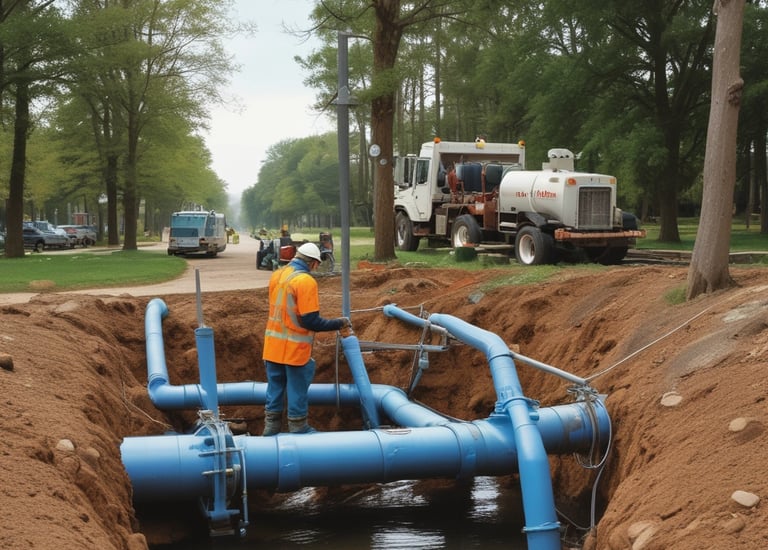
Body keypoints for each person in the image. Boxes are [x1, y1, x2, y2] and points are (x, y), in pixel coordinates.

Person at [261, 242, 352, 435]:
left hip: (272, 347)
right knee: (297, 389)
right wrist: (339, 323)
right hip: (294, 349)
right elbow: (311, 321)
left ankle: (270, 430)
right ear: (313, 263)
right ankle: (298, 427)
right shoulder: (305, 281)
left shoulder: (277, 275)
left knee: (275, 388)